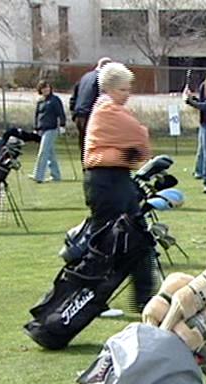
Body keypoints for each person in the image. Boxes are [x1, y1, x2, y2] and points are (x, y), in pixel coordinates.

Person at [82, 62, 156, 312]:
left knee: (139, 237)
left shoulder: (111, 110)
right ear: (110, 89)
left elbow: (139, 153)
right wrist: (132, 152)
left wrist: (130, 155)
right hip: (106, 182)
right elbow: (140, 137)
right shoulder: (107, 110)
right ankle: (93, 300)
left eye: (128, 89)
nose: (127, 94)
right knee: (105, 244)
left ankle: (144, 298)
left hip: (117, 179)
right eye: (123, 89)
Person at [70, 57, 111, 157]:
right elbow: (102, 98)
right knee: (94, 145)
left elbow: (74, 95)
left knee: (84, 145)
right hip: (91, 115)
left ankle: (85, 165)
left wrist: (74, 112)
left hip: (79, 114)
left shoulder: (85, 77)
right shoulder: (101, 79)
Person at [31, 80, 66, 183]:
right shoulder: (40, 101)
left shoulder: (55, 100)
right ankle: (56, 176)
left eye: (47, 87)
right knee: (50, 154)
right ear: (40, 90)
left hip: (51, 129)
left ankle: (38, 176)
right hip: (42, 129)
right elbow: (37, 115)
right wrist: (36, 128)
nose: (46, 89)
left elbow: (61, 113)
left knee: (43, 152)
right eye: (43, 88)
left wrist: (62, 125)